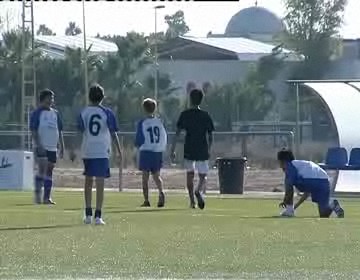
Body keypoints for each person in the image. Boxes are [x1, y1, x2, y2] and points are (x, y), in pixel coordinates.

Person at [78, 84, 122, 225]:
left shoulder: (84, 112)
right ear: (103, 97)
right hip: (102, 150)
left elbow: (79, 131)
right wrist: (119, 150)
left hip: (88, 149)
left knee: (88, 181)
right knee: (100, 182)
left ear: (89, 97)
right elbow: (113, 133)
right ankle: (98, 215)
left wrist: (73, 149)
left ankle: (88, 213)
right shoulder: (107, 112)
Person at [170, 89, 215, 209]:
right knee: (203, 175)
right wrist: (209, 149)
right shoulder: (205, 115)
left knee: (190, 174)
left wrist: (172, 149)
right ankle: (198, 190)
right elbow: (210, 135)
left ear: (190, 99)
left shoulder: (185, 114)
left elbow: (177, 133)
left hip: (189, 147)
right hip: (202, 147)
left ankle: (192, 201)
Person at [277, 149, 344, 218]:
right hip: (324, 181)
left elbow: (289, 188)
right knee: (324, 214)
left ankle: (289, 211)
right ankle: (333, 204)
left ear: (283, 161)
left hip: (315, 181)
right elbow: (308, 191)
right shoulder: (302, 166)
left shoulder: (290, 165)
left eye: (279, 162)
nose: (280, 166)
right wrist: (295, 207)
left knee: (288, 181)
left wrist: (286, 201)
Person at [30, 89, 64, 205]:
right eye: (50, 98)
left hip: (52, 147)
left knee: (50, 171)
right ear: (43, 99)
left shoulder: (55, 113)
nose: (51, 100)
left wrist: (62, 146)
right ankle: (37, 195)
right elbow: (34, 130)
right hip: (41, 146)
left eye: (52, 98)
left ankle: (47, 197)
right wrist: (39, 145)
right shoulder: (37, 113)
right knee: (42, 170)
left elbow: (59, 130)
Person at [135, 98, 167, 207]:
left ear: (144, 109)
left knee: (145, 178)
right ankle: (161, 192)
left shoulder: (142, 122)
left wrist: (137, 147)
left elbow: (139, 139)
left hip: (146, 151)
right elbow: (163, 136)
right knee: (157, 176)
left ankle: (146, 200)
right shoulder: (159, 122)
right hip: (157, 151)